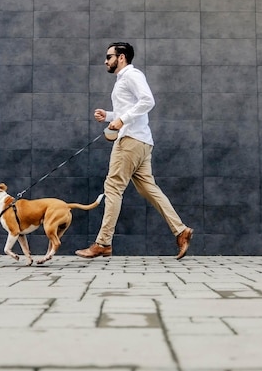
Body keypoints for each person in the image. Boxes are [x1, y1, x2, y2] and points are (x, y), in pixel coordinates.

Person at [75, 42, 194, 260]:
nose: (105, 60)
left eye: (109, 56)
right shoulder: (124, 79)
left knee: (112, 187)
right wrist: (110, 116)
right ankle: (181, 230)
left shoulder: (131, 75)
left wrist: (121, 120)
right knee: (149, 188)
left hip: (130, 141)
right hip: (141, 140)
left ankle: (103, 242)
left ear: (121, 57)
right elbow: (129, 109)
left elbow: (148, 101)